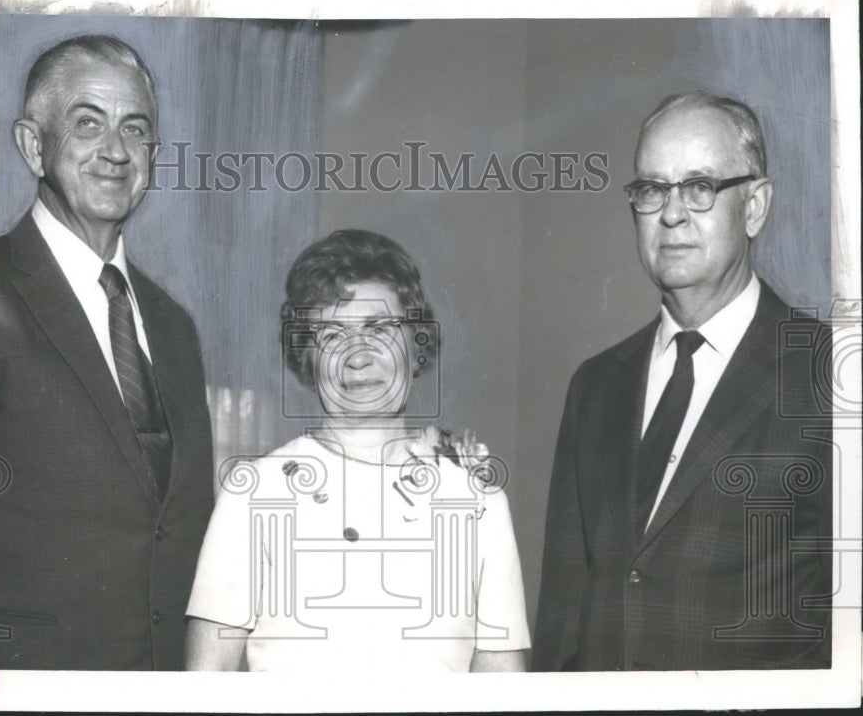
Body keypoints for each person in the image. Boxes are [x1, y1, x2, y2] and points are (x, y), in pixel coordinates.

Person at [0, 35, 214, 670]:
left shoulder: (173, 326)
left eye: (136, 129)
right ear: (32, 144)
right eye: (87, 123)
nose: (116, 151)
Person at [532, 92, 831, 671]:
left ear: (755, 206)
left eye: (699, 187)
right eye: (651, 190)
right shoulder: (595, 386)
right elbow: (561, 619)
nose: (672, 214)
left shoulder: (829, 376)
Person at [184, 229, 530, 672]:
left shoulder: (479, 500)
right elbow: (204, 685)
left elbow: (501, 683)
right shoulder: (253, 493)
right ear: (306, 357)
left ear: (416, 342)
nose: (358, 356)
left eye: (380, 329)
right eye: (330, 336)